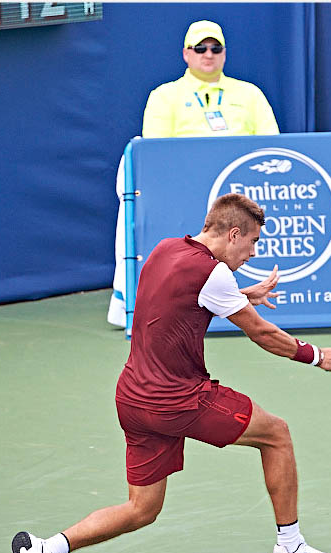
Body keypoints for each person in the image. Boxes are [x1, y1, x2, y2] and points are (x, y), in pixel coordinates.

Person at [14, 193, 331, 553]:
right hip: (178, 400)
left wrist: (244, 295)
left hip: (133, 398)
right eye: (253, 242)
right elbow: (261, 333)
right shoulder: (215, 276)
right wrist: (317, 356)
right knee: (276, 434)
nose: (253, 252)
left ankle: (45, 550)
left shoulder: (166, 249)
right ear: (232, 233)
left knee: (142, 509)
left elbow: (182, 297)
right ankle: (291, 550)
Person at [107, 19, 280, 327]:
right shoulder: (164, 95)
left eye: (215, 48)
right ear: (186, 54)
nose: (208, 54)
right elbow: (155, 152)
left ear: (224, 53)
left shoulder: (250, 94)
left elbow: (272, 143)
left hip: (239, 191)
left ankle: (241, 298)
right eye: (200, 48)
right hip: (180, 191)